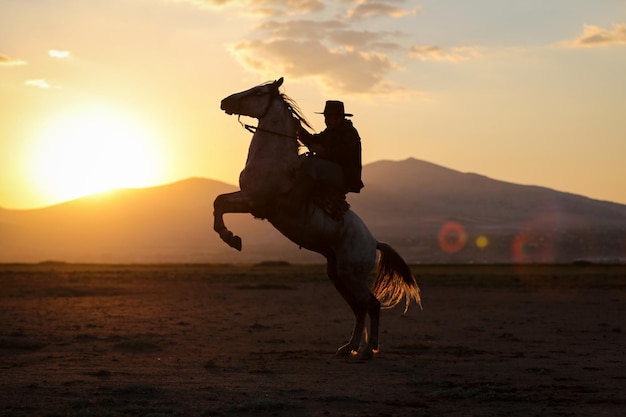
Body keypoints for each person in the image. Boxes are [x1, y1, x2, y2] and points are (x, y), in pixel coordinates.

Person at [287, 100, 364, 217]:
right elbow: (313, 140)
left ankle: (294, 203)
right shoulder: (330, 132)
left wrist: (323, 153)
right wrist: (299, 129)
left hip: (345, 176)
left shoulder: (349, 133)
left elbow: (343, 155)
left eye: (330, 117)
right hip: (336, 172)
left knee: (312, 164)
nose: (327, 120)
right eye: (326, 117)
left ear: (338, 118)